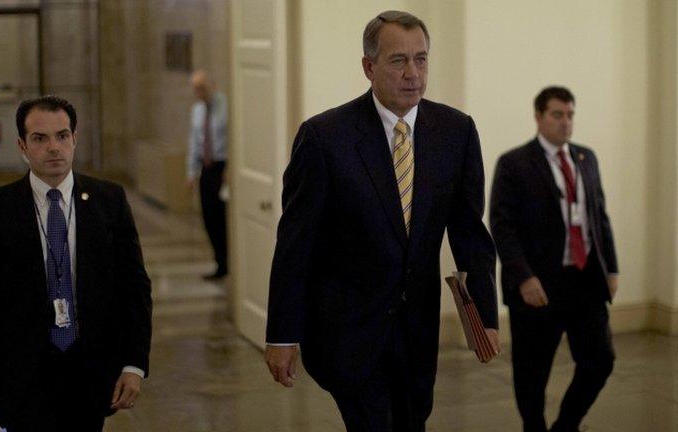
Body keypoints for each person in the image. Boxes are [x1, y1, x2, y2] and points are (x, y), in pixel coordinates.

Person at [264, 10, 499, 432]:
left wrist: (484, 316)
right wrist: (282, 334)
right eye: (398, 61)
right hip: (347, 332)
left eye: (421, 59)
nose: (413, 73)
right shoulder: (324, 137)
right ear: (369, 67)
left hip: (418, 332)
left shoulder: (455, 131)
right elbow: (296, 244)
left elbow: (469, 232)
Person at [0, 95, 153, 432]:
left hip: (90, 371)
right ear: (22, 145)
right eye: (40, 138)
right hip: (21, 375)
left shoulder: (109, 201)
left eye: (62, 136)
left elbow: (134, 289)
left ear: (74, 139)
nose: (53, 147)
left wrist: (134, 364)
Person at [490, 86, 618, 432]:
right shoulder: (515, 163)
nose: (566, 123)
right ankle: (534, 427)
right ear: (539, 116)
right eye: (557, 115)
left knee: (600, 359)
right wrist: (523, 277)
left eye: (570, 115)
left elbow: (598, 215)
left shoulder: (585, 158)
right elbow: (502, 227)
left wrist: (612, 267)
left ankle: (567, 424)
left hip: (584, 279)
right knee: (532, 372)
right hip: (539, 284)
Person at [186, 70, 229, 280]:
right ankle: (220, 261)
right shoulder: (197, 110)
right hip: (206, 167)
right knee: (209, 217)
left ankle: (230, 261)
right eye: (195, 89)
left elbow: (233, 138)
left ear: (212, 85)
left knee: (223, 217)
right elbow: (195, 142)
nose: (199, 92)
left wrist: (231, 169)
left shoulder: (226, 106)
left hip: (223, 167)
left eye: (202, 87)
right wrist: (191, 172)